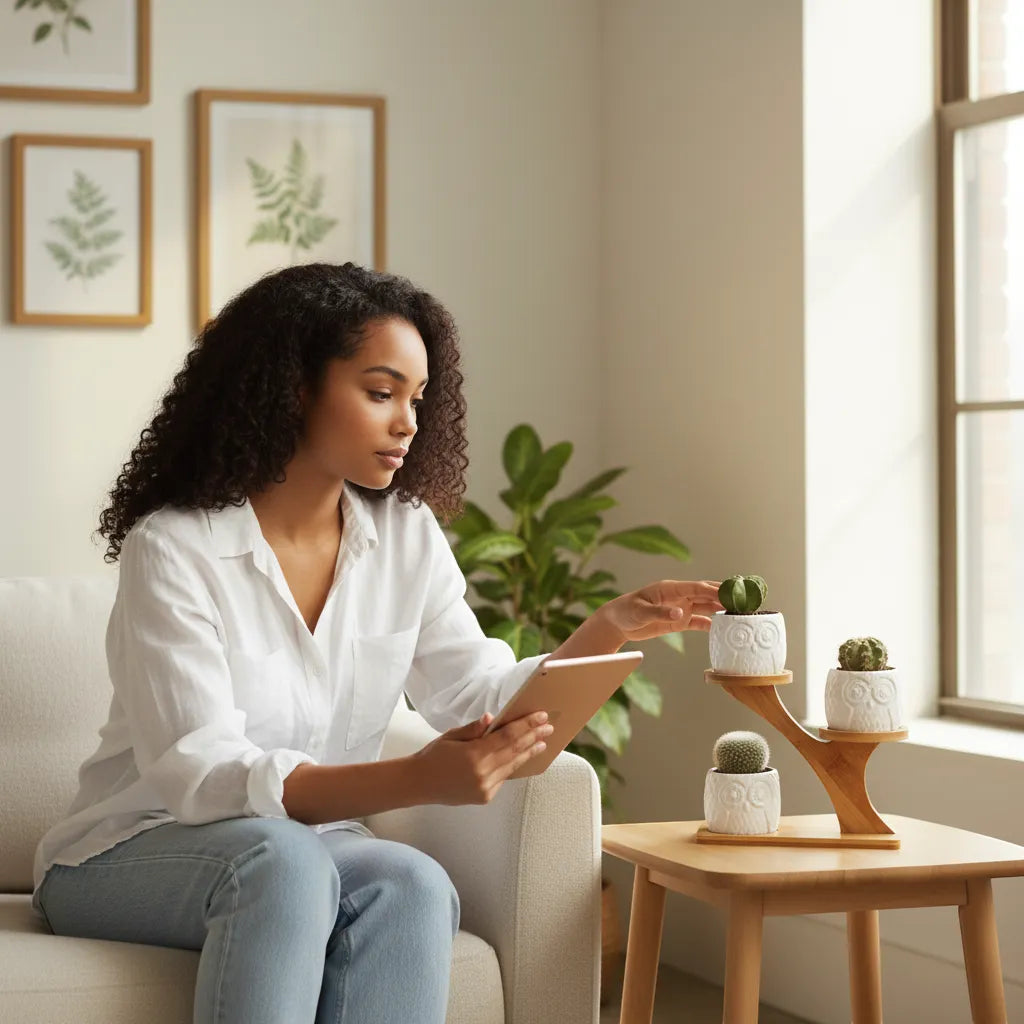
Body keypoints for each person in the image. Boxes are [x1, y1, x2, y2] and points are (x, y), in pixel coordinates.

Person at [30, 261, 723, 1024]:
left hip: (305, 848)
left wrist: (609, 629)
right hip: (130, 850)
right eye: (380, 391)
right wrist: (418, 777)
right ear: (294, 387)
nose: (408, 423)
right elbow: (202, 777)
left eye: (418, 399)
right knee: (284, 864)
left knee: (413, 883)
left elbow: (478, 696)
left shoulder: (404, 536)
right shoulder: (174, 548)